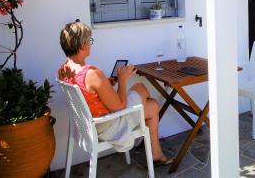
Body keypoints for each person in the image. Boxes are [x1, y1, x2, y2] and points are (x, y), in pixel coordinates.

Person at [58, 20, 173, 166]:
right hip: (108, 126)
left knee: (152, 106)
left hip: (87, 125)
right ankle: (154, 153)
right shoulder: (92, 74)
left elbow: (89, 92)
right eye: (90, 41)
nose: (90, 44)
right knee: (140, 88)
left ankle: (156, 154)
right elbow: (119, 106)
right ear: (82, 46)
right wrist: (123, 80)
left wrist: (107, 83)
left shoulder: (64, 70)